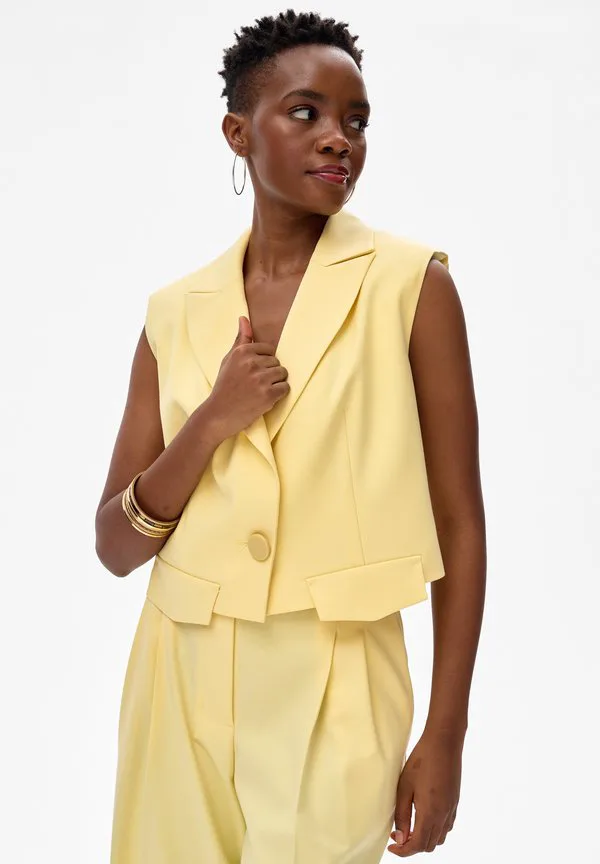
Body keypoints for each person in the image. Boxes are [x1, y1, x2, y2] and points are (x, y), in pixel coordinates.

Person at [96, 9, 486, 863]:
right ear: (238, 133)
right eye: (305, 112)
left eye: (356, 120)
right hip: (178, 672)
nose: (339, 137)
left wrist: (446, 733)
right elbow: (116, 546)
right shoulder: (174, 313)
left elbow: (460, 520)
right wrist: (212, 419)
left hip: (341, 676)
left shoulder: (411, 287)